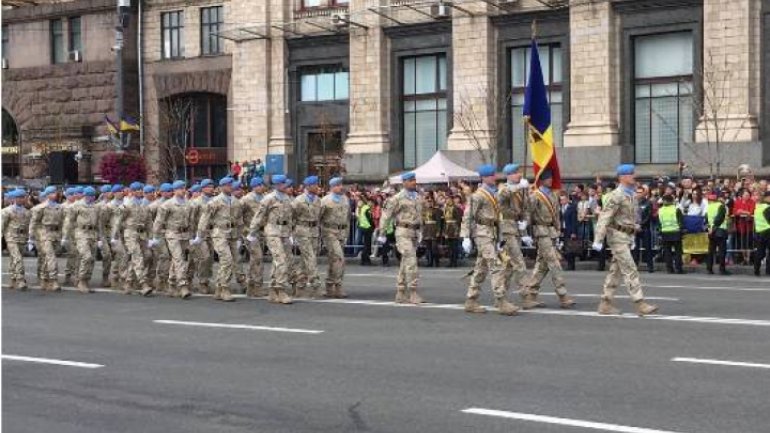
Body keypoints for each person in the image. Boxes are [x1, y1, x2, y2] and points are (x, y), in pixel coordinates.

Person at [592, 164, 659, 316]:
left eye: (633, 173)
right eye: (630, 174)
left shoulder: (632, 195)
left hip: (626, 237)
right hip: (616, 237)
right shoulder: (616, 195)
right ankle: (640, 303)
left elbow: (631, 218)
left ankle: (605, 303)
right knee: (630, 269)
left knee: (615, 272)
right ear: (622, 177)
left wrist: (633, 234)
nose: (634, 176)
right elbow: (605, 217)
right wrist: (598, 239)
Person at [460, 164, 519, 316]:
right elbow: (468, 216)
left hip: (492, 233)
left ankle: (471, 300)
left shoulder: (494, 193)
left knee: (481, 269)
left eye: (494, 175)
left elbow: (498, 217)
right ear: (484, 178)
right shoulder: (478, 195)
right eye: (491, 175)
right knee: (497, 265)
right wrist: (465, 237)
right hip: (482, 234)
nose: (494, 177)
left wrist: (500, 238)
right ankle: (501, 301)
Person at [519, 169, 576, 309]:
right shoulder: (535, 196)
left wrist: (558, 231)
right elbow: (527, 213)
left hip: (551, 232)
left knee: (542, 265)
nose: (550, 180)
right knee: (554, 262)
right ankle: (563, 295)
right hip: (541, 231)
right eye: (547, 178)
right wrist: (524, 232)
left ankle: (530, 293)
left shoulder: (553, 195)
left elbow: (556, 215)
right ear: (541, 180)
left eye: (551, 177)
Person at [194, 177, 244, 302]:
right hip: (219, 233)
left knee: (234, 260)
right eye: (228, 185)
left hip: (232, 234)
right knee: (226, 259)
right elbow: (204, 218)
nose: (231, 186)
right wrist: (199, 235)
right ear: (221, 187)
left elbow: (239, 220)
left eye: (231, 184)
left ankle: (219, 288)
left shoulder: (236, 201)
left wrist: (239, 236)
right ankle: (224, 288)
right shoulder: (215, 201)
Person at [378, 172, 424, 304]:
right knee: (411, 260)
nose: (414, 182)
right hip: (402, 232)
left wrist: (421, 230)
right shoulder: (396, 198)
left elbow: (420, 215)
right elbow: (386, 215)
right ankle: (413, 292)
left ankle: (400, 291)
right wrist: (382, 232)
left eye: (414, 180)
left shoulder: (418, 198)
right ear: (404, 182)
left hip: (414, 233)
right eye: (410, 180)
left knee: (405, 263)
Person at [248, 174, 294, 304]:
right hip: (272, 231)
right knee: (281, 260)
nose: (287, 186)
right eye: (285, 184)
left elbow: (289, 217)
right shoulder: (268, 199)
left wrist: (290, 233)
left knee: (278, 261)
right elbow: (259, 216)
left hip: (284, 232)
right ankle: (280, 289)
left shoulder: (287, 198)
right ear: (278, 185)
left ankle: (273, 290)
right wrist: (252, 232)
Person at [151, 181, 194, 299]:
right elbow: (159, 221)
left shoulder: (188, 204)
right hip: (172, 234)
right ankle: (183, 285)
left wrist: (193, 235)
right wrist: (155, 236)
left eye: (183, 188)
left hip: (185, 234)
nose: (182, 190)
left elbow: (190, 221)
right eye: (179, 188)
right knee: (178, 258)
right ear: (174, 191)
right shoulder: (167, 205)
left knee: (178, 260)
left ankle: (171, 283)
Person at [112, 182, 154, 296]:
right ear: (132, 191)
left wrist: (152, 237)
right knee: (137, 256)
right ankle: (143, 283)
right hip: (130, 233)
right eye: (137, 190)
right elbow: (119, 220)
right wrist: (115, 236)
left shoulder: (145, 204)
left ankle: (129, 281)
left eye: (141, 189)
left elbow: (149, 222)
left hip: (142, 234)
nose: (140, 191)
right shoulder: (127, 205)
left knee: (147, 255)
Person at [497, 163, 531, 293]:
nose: (519, 174)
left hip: (516, 228)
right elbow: (501, 197)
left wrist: (525, 228)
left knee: (508, 265)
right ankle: (526, 295)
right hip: (506, 230)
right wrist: (517, 187)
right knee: (519, 262)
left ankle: (500, 293)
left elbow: (526, 209)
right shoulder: (503, 188)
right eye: (516, 172)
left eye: (519, 172)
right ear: (509, 175)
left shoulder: (522, 190)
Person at [62, 186, 101, 293]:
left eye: (93, 196)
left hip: (93, 233)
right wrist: (65, 236)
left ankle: (86, 280)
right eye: (89, 195)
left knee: (92, 259)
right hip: (81, 233)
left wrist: (100, 238)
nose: (91, 198)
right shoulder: (76, 205)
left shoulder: (96, 207)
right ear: (84, 195)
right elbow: (69, 221)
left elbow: (98, 223)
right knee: (86, 256)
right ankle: (81, 280)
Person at [291, 176, 323, 298]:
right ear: (308, 186)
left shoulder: (318, 200)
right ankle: (315, 283)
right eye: (315, 185)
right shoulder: (298, 201)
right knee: (310, 257)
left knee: (306, 259)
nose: (317, 187)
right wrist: (292, 232)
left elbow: (319, 216)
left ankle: (300, 286)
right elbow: (292, 216)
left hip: (314, 231)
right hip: (302, 230)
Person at [319, 177, 351, 298]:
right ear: (332, 187)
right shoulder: (325, 201)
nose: (340, 187)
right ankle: (337, 285)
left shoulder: (345, 199)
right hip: (329, 232)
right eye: (337, 185)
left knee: (334, 260)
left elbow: (347, 217)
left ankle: (330, 285)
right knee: (339, 258)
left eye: (341, 184)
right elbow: (319, 217)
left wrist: (346, 232)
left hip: (342, 232)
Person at [28, 186, 64, 292]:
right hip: (45, 235)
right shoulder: (40, 208)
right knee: (51, 257)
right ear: (47, 195)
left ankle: (44, 278)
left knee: (47, 258)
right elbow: (34, 223)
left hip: (56, 235)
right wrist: (31, 237)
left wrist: (63, 235)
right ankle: (54, 280)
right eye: (52, 193)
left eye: (55, 192)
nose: (55, 194)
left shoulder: (60, 207)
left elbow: (61, 222)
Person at [241, 176, 267, 298]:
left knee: (255, 259)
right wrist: (244, 230)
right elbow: (237, 215)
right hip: (250, 233)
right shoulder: (246, 199)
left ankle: (250, 285)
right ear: (255, 186)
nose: (262, 187)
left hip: (262, 233)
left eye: (262, 185)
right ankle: (257, 286)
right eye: (260, 185)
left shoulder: (265, 198)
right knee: (258, 257)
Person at [189, 179, 215, 294]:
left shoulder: (215, 201)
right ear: (203, 189)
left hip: (213, 233)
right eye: (208, 186)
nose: (211, 188)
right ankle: (202, 282)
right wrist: (192, 236)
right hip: (200, 234)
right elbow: (191, 220)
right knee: (204, 257)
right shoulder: (196, 202)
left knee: (210, 258)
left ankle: (206, 281)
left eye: (212, 186)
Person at [2, 189, 31, 290]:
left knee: (15, 259)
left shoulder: (27, 212)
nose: (21, 199)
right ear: (14, 198)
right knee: (17, 258)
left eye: (23, 197)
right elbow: (2, 225)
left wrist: (29, 238)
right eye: (19, 197)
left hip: (22, 238)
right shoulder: (6, 211)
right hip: (11, 237)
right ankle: (20, 279)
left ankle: (13, 278)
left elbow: (27, 226)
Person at [658, 194, 685, 274]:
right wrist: (682, 230)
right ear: (672, 201)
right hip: (675, 232)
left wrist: (660, 232)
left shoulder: (660, 210)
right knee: (678, 252)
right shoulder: (676, 209)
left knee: (667, 252)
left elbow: (659, 222)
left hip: (665, 232)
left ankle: (669, 269)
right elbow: (681, 221)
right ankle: (678, 268)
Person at [705, 191, 730, 275]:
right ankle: (722, 269)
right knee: (722, 251)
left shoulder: (708, 207)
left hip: (711, 232)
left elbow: (706, 219)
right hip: (720, 231)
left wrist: (709, 228)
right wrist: (714, 227)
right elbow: (719, 218)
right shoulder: (721, 206)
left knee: (711, 251)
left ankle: (709, 268)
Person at [96, 185, 114, 287]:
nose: (110, 193)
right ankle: (105, 277)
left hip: (113, 233)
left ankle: (117, 277)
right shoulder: (98, 206)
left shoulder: (114, 204)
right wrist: (99, 238)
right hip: (102, 233)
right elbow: (97, 222)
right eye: (108, 191)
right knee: (107, 255)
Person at [634, 185, 655, 273]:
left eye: (640, 192)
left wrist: (641, 225)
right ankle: (635, 266)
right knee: (635, 249)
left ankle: (650, 266)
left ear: (644, 193)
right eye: (637, 192)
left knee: (648, 248)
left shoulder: (648, 203)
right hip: (635, 228)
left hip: (645, 228)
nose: (638, 194)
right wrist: (634, 225)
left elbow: (648, 216)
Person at [559, 193, 579, 271]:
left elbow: (574, 221)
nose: (562, 201)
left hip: (570, 230)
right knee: (564, 247)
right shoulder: (560, 208)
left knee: (570, 248)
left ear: (567, 199)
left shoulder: (572, 208)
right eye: (561, 200)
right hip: (563, 229)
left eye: (563, 199)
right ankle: (568, 263)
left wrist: (573, 232)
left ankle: (571, 265)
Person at [420, 195, 441, 267]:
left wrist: (438, 231)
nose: (429, 203)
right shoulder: (424, 211)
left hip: (433, 228)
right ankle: (430, 262)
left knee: (434, 247)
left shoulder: (436, 210)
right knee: (428, 247)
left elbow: (438, 222)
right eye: (428, 202)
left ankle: (437, 261)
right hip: (426, 229)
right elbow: (423, 222)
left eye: (430, 202)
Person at [442, 194, 462, 268]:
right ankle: (450, 261)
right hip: (448, 228)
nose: (448, 201)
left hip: (454, 228)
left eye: (449, 200)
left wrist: (457, 229)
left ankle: (454, 262)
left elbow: (459, 220)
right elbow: (444, 221)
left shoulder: (456, 208)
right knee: (449, 247)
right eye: (447, 199)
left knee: (454, 247)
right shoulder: (446, 209)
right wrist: (444, 231)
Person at [753, 191, 770, 276]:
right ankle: (768, 271)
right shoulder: (767, 207)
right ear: (767, 197)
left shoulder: (758, 207)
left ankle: (756, 269)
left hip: (759, 232)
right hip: (767, 231)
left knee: (760, 252)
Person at [357, 194, 374, 266]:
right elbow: (369, 219)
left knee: (365, 244)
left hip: (362, 227)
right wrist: (372, 226)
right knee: (367, 244)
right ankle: (365, 259)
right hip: (367, 227)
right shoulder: (367, 208)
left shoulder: (361, 208)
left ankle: (364, 259)